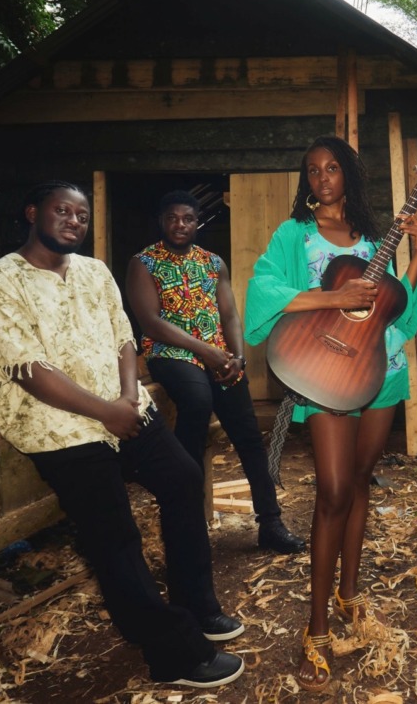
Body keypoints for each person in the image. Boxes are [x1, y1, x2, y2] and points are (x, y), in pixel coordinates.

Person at [0, 180, 245, 689]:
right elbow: (27, 368)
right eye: (62, 210)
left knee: (184, 479)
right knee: (114, 533)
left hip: (123, 408)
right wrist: (104, 413)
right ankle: (172, 653)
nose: (74, 221)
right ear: (32, 213)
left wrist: (126, 399)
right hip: (58, 426)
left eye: (81, 215)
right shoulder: (0, 281)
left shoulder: (94, 272)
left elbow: (123, 338)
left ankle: (197, 605)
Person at [243, 136, 417, 692]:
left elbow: (398, 312)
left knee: (361, 481)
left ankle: (349, 594)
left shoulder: (373, 236)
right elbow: (264, 291)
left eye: (332, 168)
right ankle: (316, 629)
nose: (322, 178)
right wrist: (334, 299)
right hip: (324, 373)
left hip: (381, 371)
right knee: (332, 491)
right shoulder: (293, 234)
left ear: (349, 174)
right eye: (313, 170)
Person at [126, 190, 306, 555]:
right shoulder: (143, 262)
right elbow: (150, 322)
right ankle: (188, 520)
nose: (180, 224)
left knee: (248, 436)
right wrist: (206, 351)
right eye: (172, 218)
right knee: (197, 401)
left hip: (219, 355)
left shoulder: (212, 262)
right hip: (171, 352)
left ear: (197, 223)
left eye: (187, 219)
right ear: (161, 221)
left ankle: (271, 523)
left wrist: (237, 357)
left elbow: (229, 315)